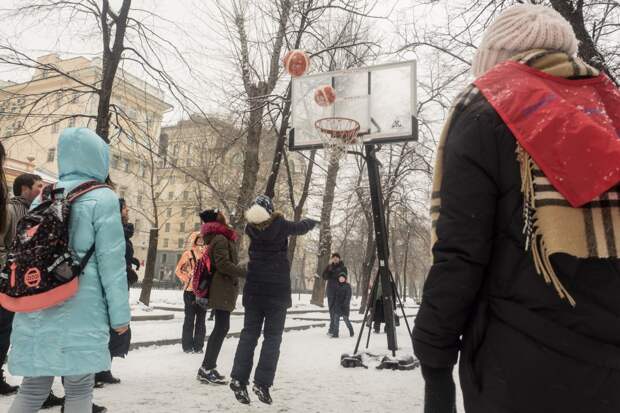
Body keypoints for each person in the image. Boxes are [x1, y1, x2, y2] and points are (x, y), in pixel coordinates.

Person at [413, 5, 620, 413]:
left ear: (494, 61)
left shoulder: (482, 112)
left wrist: (434, 358)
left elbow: (460, 253)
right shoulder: (609, 113)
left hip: (519, 369)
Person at [7, 127, 131, 413]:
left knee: (33, 388)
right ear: (99, 158)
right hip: (81, 305)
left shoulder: (46, 194)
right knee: (78, 388)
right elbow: (112, 264)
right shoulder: (104, 198)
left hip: (38, 298)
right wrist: (120, 318)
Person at [229, 195, 318, 405]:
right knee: (272, 338)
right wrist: (312, 221)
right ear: (271, 211)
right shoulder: (280, 225)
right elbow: (300, 227)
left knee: (249, 335)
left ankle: (238, 379)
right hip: (276, 293)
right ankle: (262, 383)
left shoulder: (250, 229)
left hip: (254, 292)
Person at [196, 209, 246, 384]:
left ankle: (208, 367)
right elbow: (223, 264)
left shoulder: (219, 238)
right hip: (221, 287)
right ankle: (206, 368)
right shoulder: (220, 238)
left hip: (222, 287)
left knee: (221, 327)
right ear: (217, 219)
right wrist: (244, 272)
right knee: (221, 327)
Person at [95, 198, 139, 387]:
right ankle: (95, 371)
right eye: (124, 208)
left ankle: (104, 369)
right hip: (110, 284)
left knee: (115, 328)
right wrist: (127, 269)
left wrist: (131, 261)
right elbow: (110, 255)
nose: (127, 210)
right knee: (106, 327)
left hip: (120, 283)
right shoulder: (112, 229)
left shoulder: (123, 231)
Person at [175, 230, 206, 354]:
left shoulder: (207, 254)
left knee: (201, 320)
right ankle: (187, 346)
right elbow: (178, 270)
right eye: (199, 239)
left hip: (203, 292)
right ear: (194, 240)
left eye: (203, 239)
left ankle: (198, 346)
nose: (201, 242)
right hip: (190, 291)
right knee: (189, 319)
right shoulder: (188, 254)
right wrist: (188, 278)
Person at [321, 253, 347, 337]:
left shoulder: (343, 268)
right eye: (334, 257)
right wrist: (328, 270)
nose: (335, 259)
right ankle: (332, 328)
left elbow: (343, 278)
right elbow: (324, 277)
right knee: (331, 310)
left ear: (339, 259)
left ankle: (333, 329)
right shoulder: (329, 267)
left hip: (339, 291)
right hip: (330, 291)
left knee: (336, 310)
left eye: (337, 257)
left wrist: (333, 272)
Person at [332, 274, 354, 338]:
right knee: (336, 320)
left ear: (345, 279)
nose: (341, 279)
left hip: (345, 306)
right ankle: (335, 334)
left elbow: (348, 296)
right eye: (340, 278)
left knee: (346, 320)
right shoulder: (336, 286)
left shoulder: (347, 286)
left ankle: (351, 330)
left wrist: (345, 304)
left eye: (342, 278)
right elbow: (334, 295)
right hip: (337, 306)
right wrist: (334, 304)